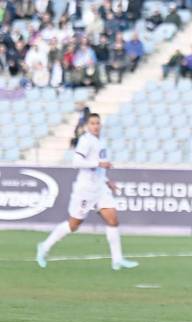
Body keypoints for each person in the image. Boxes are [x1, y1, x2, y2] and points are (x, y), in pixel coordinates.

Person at [36, 113, 139, 271]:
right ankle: (45, 246)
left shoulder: (101, 142)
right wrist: (99, 163)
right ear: (87, 126)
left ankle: (117, 260)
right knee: (73, 224)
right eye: (92, 123)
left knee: (113, 220)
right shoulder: (85, 141)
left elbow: (99, 169)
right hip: (85, 190)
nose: (95, 126)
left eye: (97, 123)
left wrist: (107, 181)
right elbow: (76, 162)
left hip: (100, 188)